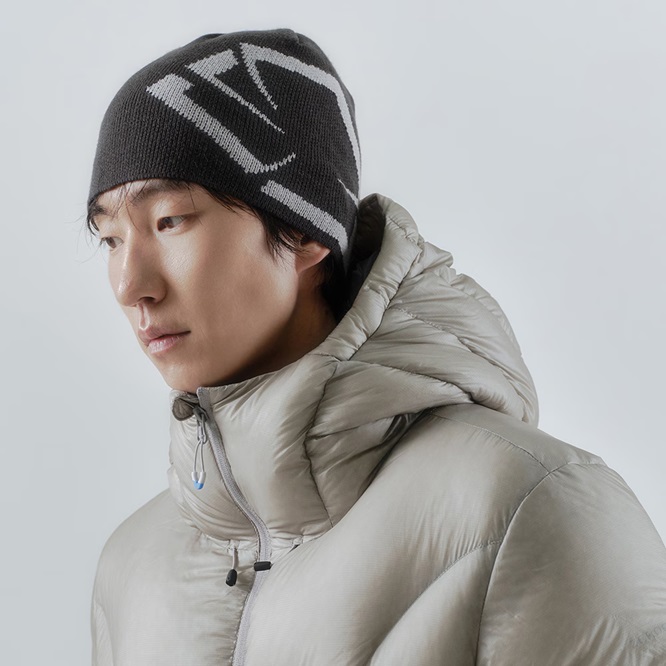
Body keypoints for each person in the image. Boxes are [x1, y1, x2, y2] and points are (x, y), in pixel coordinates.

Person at [87, 29, 666, 665]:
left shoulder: (530, 510)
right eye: (110, 238)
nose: (129, 286)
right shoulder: (130, 570)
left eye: (169, 220)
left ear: (304, 231)